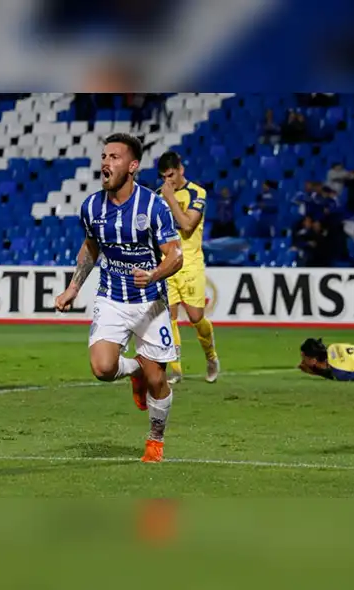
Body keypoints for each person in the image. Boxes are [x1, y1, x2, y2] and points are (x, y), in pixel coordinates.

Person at [54, 133, 183, 463]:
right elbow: (91, 246)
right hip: (111, 296)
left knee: (158, 380)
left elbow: (175, 255)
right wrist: (73, 288)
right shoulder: (91, 207)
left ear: (133, 166)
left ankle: (155, 439)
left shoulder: (153, 207)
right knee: (102, 368)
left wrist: (154, 274)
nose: (105, 163)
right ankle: (134, 371)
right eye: (104, 156)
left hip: (150, 302)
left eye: (114, 157)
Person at [157, 151, 220, 384]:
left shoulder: (197, 193)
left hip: (191, 263)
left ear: (180, 170)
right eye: (163, 177)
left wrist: (171, 199)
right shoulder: (158, 195)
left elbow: (187, 225)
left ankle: (211, 356)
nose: (168, 181)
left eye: (171, 175)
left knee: (196, 317)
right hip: (166, 264)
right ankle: (175, 369)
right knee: (169, 317)